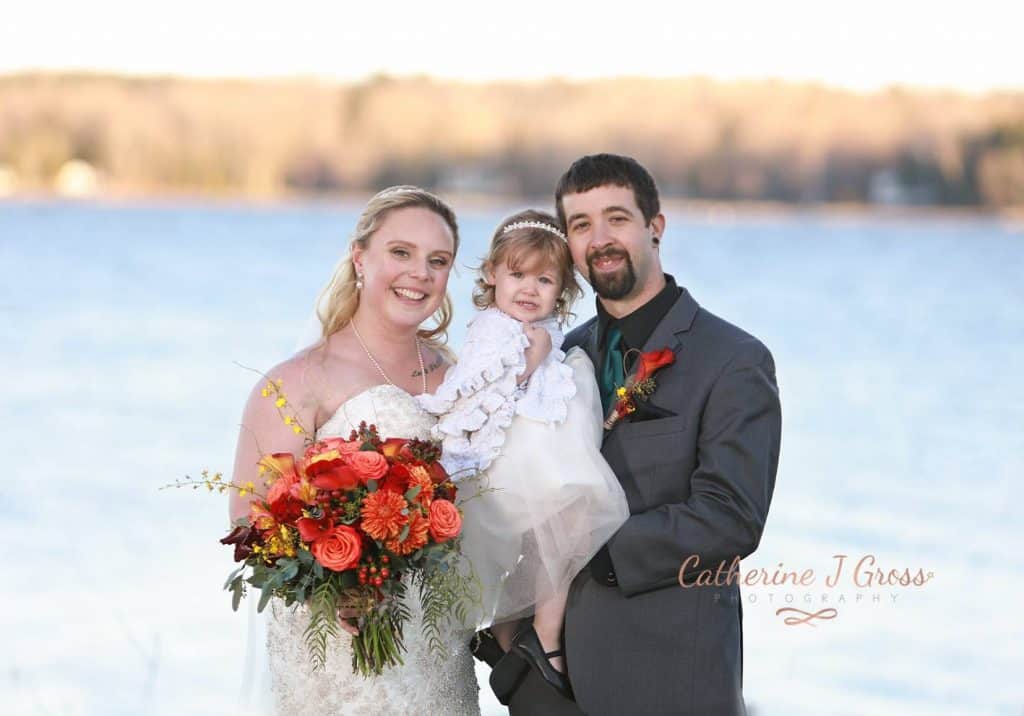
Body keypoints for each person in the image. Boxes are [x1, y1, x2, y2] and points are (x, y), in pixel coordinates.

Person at [494, 154, 782, 715]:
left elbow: (731, 515)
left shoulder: (733, 360)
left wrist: (588, 547)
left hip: (670, 676)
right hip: (548, 681)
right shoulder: (559, 352)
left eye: (617, 219)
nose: (599, 239)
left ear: (656, 225)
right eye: (580, 225)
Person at [228, 186, 480, 715]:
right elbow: (252, 522)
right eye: (401, 252)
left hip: (433, 645)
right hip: (336, 653)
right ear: (359, 255)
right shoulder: (300, 381)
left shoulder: (461, 379)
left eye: (438, 261)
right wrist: (339, 579)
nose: (420, 273)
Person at [417, 210, 629, 701]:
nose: (529, 289)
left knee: (549, 539)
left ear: (563, 290)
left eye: (545, 279)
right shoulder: (497, 331)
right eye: (517, 275)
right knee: (571, 514)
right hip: (515, 452)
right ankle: (547, 636)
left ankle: (513, 633)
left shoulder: (537, 329)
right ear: (492, 274)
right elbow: (487, 385)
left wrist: (543, 349)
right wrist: (530, 359)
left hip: (532, 444)